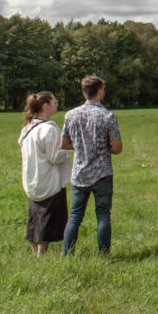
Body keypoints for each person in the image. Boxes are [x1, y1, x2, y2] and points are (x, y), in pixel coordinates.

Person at [61, 75, 122, 255]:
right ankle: (104, 254)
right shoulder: (108, 116)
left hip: (79, 173)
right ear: (100, 91)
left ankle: (67, 253)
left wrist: (81, 146)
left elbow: (64, 143)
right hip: (102, 173)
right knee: (103, 215)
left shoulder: (70, 115)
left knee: (75, 216)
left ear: (84, 92)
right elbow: (117, 148)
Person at [18, 91, 71, 256]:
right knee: (46, 220)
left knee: (34, 218)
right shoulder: (48, 129)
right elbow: (55, 156)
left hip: (32, 179)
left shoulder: (27, 128)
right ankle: (41, 254)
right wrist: (70, 146)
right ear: (45, 105)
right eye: (54, 101)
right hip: (48, 181)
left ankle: (36, 252)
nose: (57, 104)